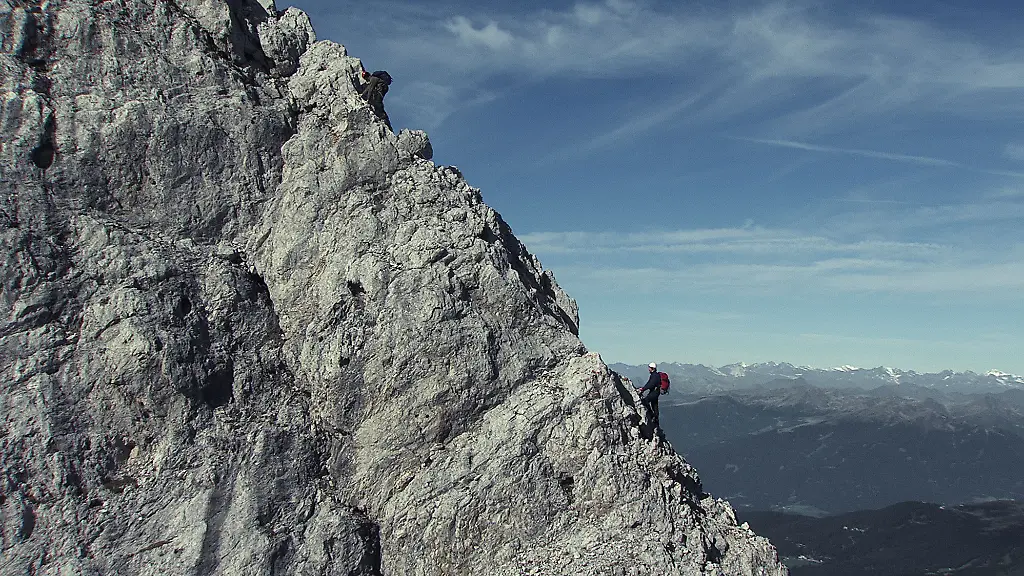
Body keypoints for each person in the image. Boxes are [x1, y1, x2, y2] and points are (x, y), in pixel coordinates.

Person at [359, 66, 393, 130]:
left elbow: (370, 89)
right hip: (382, 89)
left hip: (382, 89)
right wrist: (362, 94)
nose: (366, 80)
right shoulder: (373, 79)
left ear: (367, 77)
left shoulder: (373, 79)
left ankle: (383, 117)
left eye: (366, 79)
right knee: (377, 102)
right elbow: (368, 88)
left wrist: (368, 100)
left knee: (377, 102)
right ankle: (381, 115)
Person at [637, 362, 661, 428]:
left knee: (645, 401)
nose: (648, 369)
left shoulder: (654, 376)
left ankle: (652, 415)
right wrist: (643, 388)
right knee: (654, 405)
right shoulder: (655, 375)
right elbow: (650, 384)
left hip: (654, 392)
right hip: (656, 392)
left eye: (649, 368)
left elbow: (651, 384)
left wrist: (643, 389)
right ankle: (656, 419)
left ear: (652, 368)